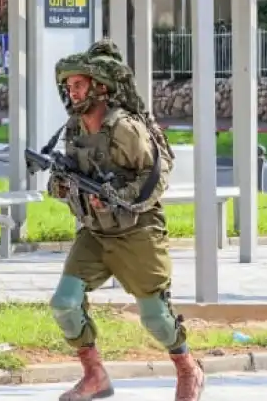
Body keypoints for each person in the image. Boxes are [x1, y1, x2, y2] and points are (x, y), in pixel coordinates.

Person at [44, 39, 204, 401]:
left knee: (155, 318)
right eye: (69, 86)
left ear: (100, 88)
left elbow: (154, 175)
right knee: (64, 303)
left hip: (137, 233)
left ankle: (188, 369)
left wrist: (120, 197)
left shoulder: (125, 128)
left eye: (79, 85)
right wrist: (61, 184)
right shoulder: (74, 128)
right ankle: (94, 375)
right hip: (96, 233)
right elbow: (69, 175)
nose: (72, 92)